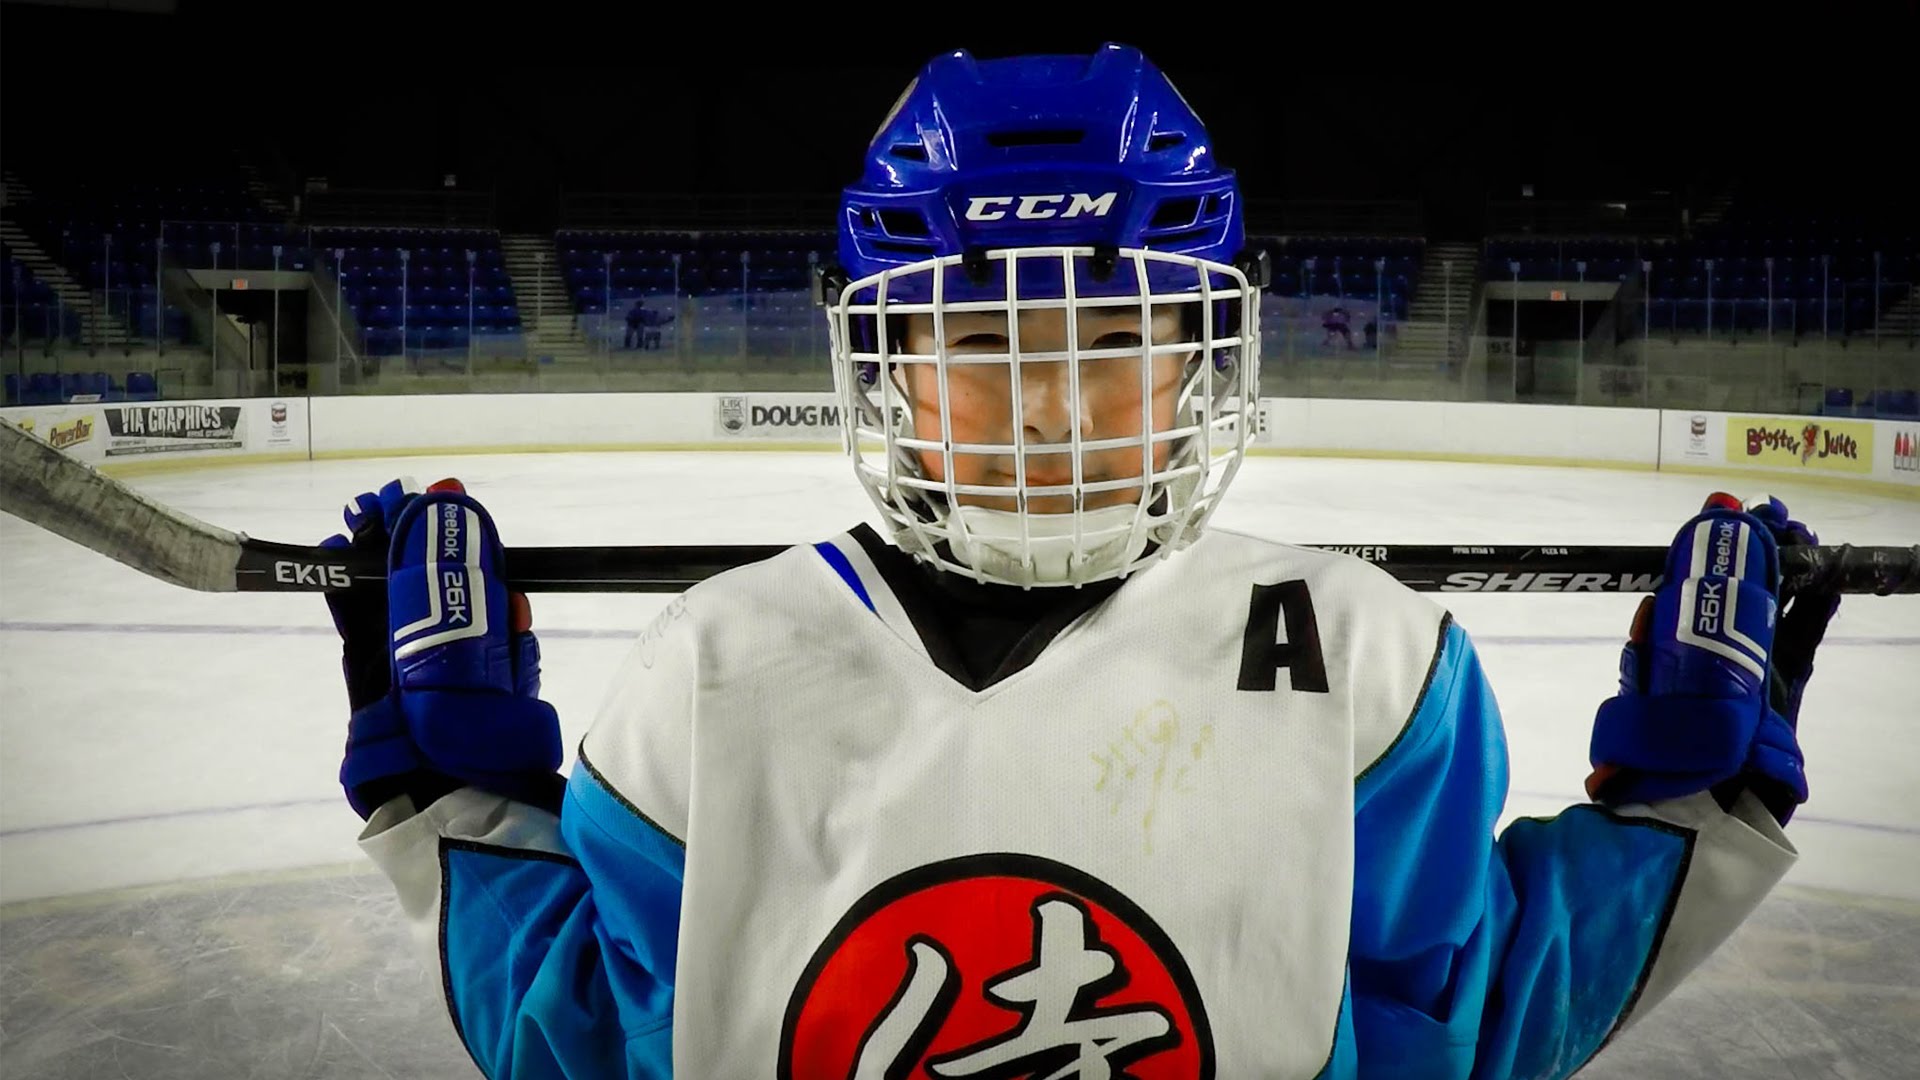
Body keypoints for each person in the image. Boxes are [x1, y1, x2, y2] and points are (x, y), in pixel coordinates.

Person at [324, 44, 1839, 1078]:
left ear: (1203, 353)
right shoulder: (711, 670)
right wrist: (449, 800)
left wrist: (1697, 811)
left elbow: (1459, 1018)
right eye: (982, 340)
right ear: (887, 362)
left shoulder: (1371, 667)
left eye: (1116, 337)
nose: (1052, 400)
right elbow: (608, 1037)